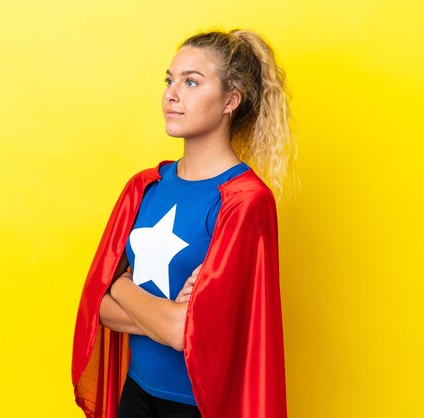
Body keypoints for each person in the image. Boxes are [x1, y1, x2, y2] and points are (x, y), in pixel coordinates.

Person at [72, 29, 295, 418]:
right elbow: (98, 309)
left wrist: (121, 286)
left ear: (231, 100)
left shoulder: (243, 201)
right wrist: (166, 317)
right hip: (136, 396)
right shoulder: (144, 187)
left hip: (196, 407)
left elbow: (182, 333)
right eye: (170, 80)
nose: (172, 94)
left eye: (191, 82)